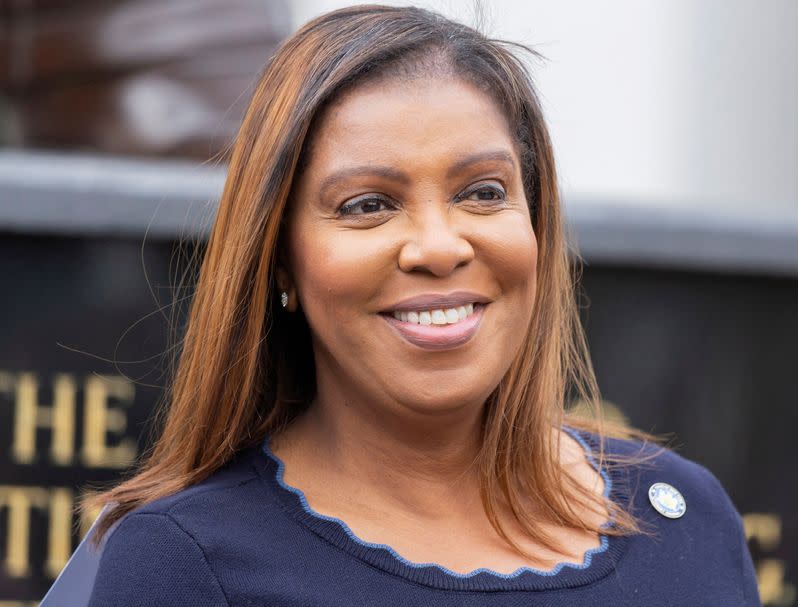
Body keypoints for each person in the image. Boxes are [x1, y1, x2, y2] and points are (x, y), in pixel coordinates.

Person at [81, 5, 760, 606]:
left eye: (483, 192)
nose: (438, 246)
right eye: (368, 205)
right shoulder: (183, 565)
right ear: (280, 257)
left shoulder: (687, 513)